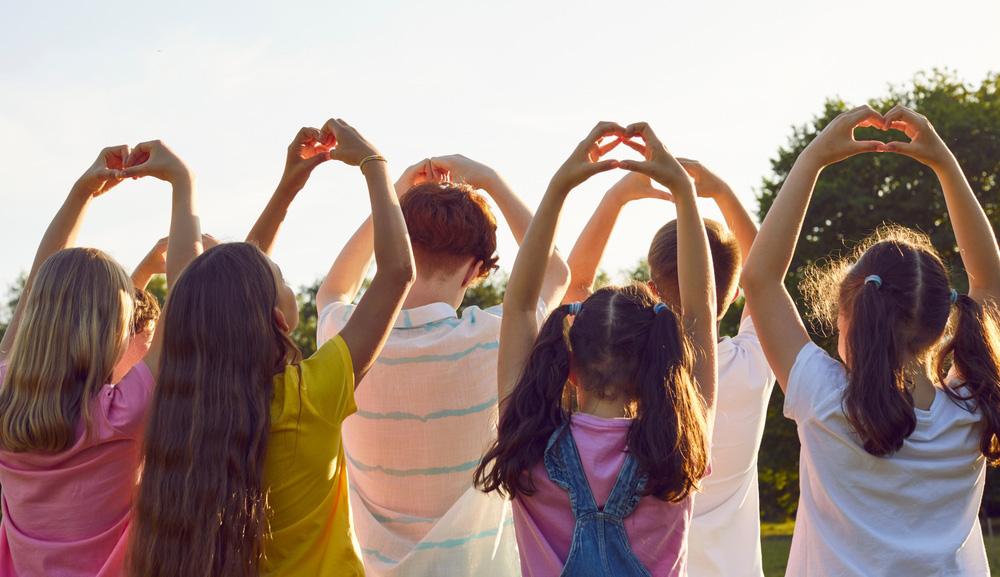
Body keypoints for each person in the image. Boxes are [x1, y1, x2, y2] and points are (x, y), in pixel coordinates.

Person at [127, 119, 414, 577]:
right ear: (277, 320)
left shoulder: (180, 411)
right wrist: (373, 164)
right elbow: (398, 270)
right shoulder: (311, 395)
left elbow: (220, 292)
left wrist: (287, 189)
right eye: (280, 278)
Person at [741, 104, 1000, 575]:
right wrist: (943, 161)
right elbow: (989, 279)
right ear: (941, 321)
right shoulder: (973, 408)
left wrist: (813, 157)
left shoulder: (826, 400)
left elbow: (759, 279)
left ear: (853, 317)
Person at [475, 121, 718, 577]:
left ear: (568, 365)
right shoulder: (682, 446)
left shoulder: (525, 441)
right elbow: (702, 314)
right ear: (657, 363)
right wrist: (684, 192)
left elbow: (521, 306)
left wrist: (560, 187)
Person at [313, 153, 569, 576]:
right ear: (474, 270)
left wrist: (395, 194)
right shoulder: (494, 339)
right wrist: (492, 180)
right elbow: (556, 271)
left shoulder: (344, 339)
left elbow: (335, 289)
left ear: (391, 251)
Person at [562, 162, 775, 576]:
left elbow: (575, 287)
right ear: (730, 293)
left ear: (652, 288)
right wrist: (723, 192)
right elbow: (766, 276)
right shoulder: (753, 363)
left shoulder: (626, 378)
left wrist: (615, 198)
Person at [0, 141, 200, 577]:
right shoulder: (120, 414)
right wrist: (182, 181)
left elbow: (41, 279)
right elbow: (186, 298)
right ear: (111, 335)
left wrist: (82, 192)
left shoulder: (3, 399)